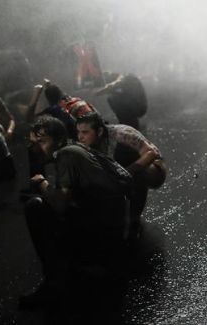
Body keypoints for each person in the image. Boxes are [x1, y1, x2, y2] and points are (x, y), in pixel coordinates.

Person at [20, 116, 133, 308]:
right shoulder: (75, 150)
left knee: (35, 206)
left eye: (42, 141)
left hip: (106, 238)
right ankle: (78, 267)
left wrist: (41, 183)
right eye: (32, 143)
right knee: (47, 204)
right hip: (112, 234)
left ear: (58, 140)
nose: (36, 148)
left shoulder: (67, 154)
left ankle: (54, 283)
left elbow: (61, 204)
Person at [75, 112, 166, 227]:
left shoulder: (121, 134)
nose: (80, 137)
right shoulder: (92, 140)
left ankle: (133, 217)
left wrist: (124, 173)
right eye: (78, 132)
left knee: (132, 174)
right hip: (123, 164)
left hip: (154, 168)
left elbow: (150, 154)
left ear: (99, 131)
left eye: (85, 132)